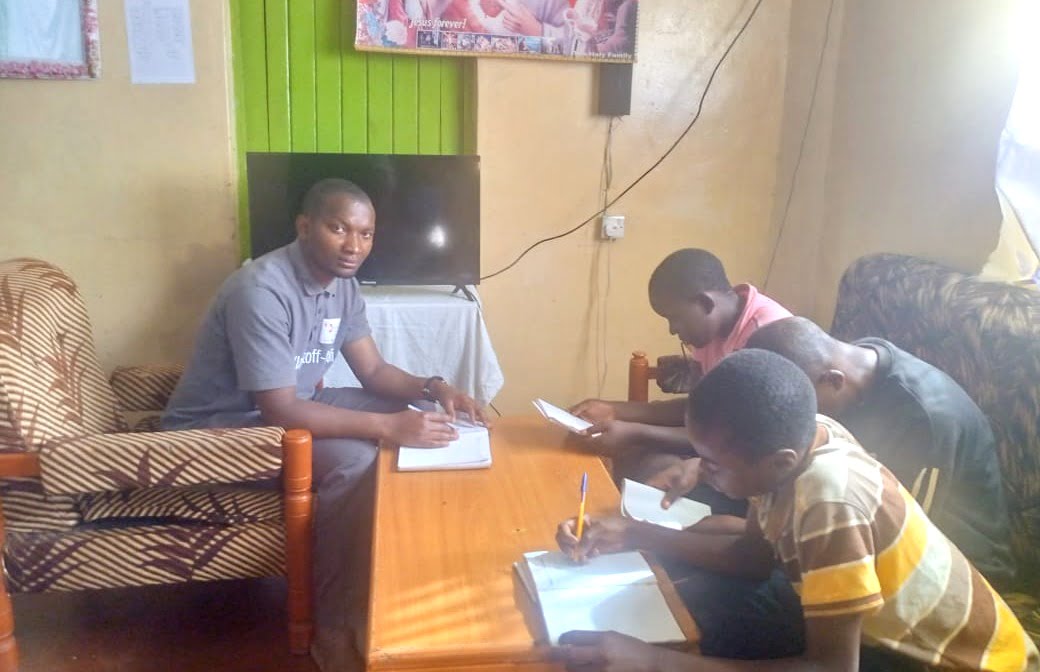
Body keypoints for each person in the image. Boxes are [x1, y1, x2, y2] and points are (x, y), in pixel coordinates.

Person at [161, 178, 486, 672]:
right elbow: (279, 411)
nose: (354, 246)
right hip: (221, 427)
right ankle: (333, 629)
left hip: (294, 403)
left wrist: (434, 387)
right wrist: (385, 427)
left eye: (366, 233)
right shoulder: (261, 289)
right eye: (339, 228)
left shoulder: (343, 285)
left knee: (425, 422)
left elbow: (374, 372)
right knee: (359, 457)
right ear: (305, 226)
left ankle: (397, 579)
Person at [555, 350, 1039, 671]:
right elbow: (751, 559)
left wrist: (655, 662)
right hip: (873, 636)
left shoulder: (829, 505)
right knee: (691, 603)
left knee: (677, 648)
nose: (701, 472)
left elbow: (830, 669)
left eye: (714, 464)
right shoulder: (804, 436)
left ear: (779, 462)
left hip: (946, 662)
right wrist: (638, 534)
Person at [742, 316, 1016, 586]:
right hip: (854, 518)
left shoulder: (924, 420)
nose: (796, 422)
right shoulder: (852, 363)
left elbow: (900, 535)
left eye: (803, 409)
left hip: (961, 572)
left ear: (834, 381)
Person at [570, 248, 791, 486]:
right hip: (720, 447)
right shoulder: (712, 328)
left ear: (705, 303)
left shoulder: (766, 336)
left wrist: (635, 431)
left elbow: (737, 440)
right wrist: (614, 409)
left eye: (674, 318)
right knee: (631, 455)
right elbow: (699, 409)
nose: (672, 329)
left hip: (753, 465)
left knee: (652, 469)